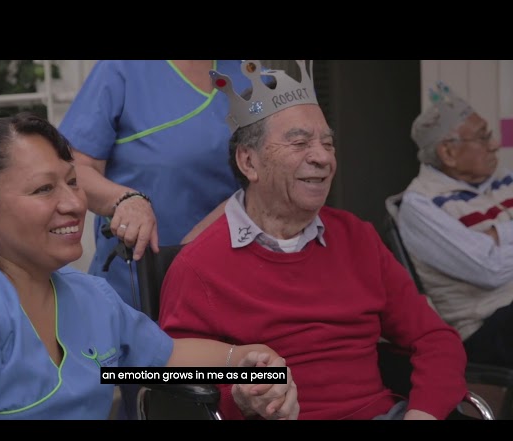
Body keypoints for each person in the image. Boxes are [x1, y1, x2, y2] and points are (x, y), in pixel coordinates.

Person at [0, 112, 298, 420]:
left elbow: (166, 360)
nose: (74, 204)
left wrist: (245, 362)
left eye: (73, 182)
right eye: (44, 189)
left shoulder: (87, 297)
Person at [159, 60, 468, 420]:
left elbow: (435, 339)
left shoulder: (357, 238)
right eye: (300, 142)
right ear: (249, 162)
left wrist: (423, 413)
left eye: (328, 143)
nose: (322, 157)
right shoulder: (199, 266)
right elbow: (175, 381)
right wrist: (241, 398)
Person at [58, 60, 251, 308]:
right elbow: (74, 169)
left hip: (226, 277)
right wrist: (126, 200)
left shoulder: (252, 77)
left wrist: (199, 239)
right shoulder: (121, 69)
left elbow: (269, 183)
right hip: (135, 285)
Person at [388, 81, 513, 369]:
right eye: (483, 137)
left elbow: (494, 260)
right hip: (484, 326)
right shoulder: (420, 205)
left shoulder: (502, 178)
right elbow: (489, 270)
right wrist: (498, 240)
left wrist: (496, 237)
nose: (495, 144)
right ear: (448, 153)